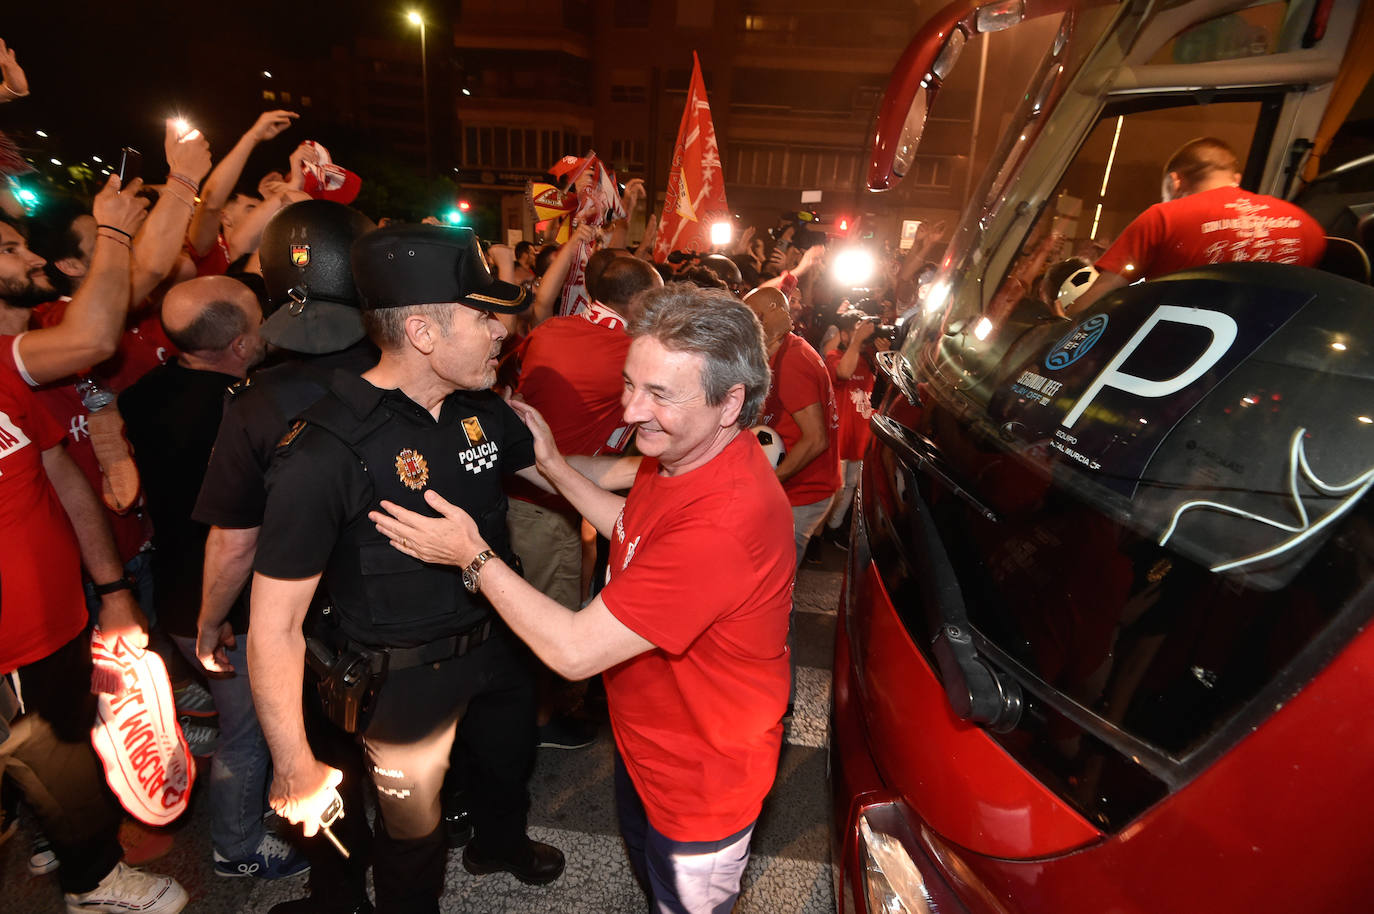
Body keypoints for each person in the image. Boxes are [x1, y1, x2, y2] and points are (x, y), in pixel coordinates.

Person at [370, 285, 794, 914]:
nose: (630, 411)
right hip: (652, 742)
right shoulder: (687, 455)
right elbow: (636, 525)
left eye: (659, 395)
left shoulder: (723, 521)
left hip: (700, 780)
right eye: (630, 384)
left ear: (731, 401)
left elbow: (572, 652)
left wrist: (470, 554)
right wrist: (558, 468)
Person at [248, 225, 564, 914]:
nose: (501, 331)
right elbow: (273, 628)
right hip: (401, 681)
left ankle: (499, 843)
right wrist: (294, 761)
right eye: (484, 315)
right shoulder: (322, 452)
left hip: (499, 647)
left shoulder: (477, 404)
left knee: (507, 768)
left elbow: (559, 473)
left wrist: (677, 467)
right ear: (422, 331)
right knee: (411, 837)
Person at [0, 179, 189, 913]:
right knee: (51, 759)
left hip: (59, 622)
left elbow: (58, 475)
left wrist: (110, 593)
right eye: (10, 248)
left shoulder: (18, 360)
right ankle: (92, 879)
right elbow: (96, 338)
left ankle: (80, 863)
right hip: (14, 640)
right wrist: (110, 230)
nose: (28, 253)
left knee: (67, 754)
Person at [192, 199, 378, 914]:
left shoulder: (256, 402)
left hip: (316, 626)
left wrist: (210, 620)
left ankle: (339, 897)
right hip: (415, 608)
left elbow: (235, 540)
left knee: (327, 764)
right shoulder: (419, 369)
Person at [119, 275, 314, 883]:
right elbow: (235, 537)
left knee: (238, 718)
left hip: (170, 581)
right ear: (238, 345)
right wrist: (217, 617)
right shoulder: (238, 409)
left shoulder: (145, 391)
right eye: (260, 321)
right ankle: (237, 846)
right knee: (251, 730)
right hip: (220, 598)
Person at [507, 254, 662, 747]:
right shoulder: (628, 354)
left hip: (532, 492)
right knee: (550, 618)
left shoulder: (553, 329)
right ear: (638, 302)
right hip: (547, 505)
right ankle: (538, 721)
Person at [1067, 136, 1327, 315]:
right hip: (1265, 363)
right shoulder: (1306, 225)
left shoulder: (1164, 217)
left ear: (1175, 182)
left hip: (1181, 359)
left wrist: (1063, 316)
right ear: (1235, 178)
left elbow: (1099, 298)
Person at [742, 286, 840, 569]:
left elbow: (816, 439)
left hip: (801, 492)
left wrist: (767, 484)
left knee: (775, 584)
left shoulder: (793, 360)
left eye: (754, 316)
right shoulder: (779, 351)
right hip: (797, 487)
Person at [821, 310, 885, 545]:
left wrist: (882, 350)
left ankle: (834, 528)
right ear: (845, 335)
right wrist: (857, 342)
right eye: (857, 331)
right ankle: (821, 534)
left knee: (851, 487)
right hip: (840, 439)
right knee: (835, 488)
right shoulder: (834, 356)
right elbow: (844, 372)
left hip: (862, 439)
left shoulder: (871, 357)